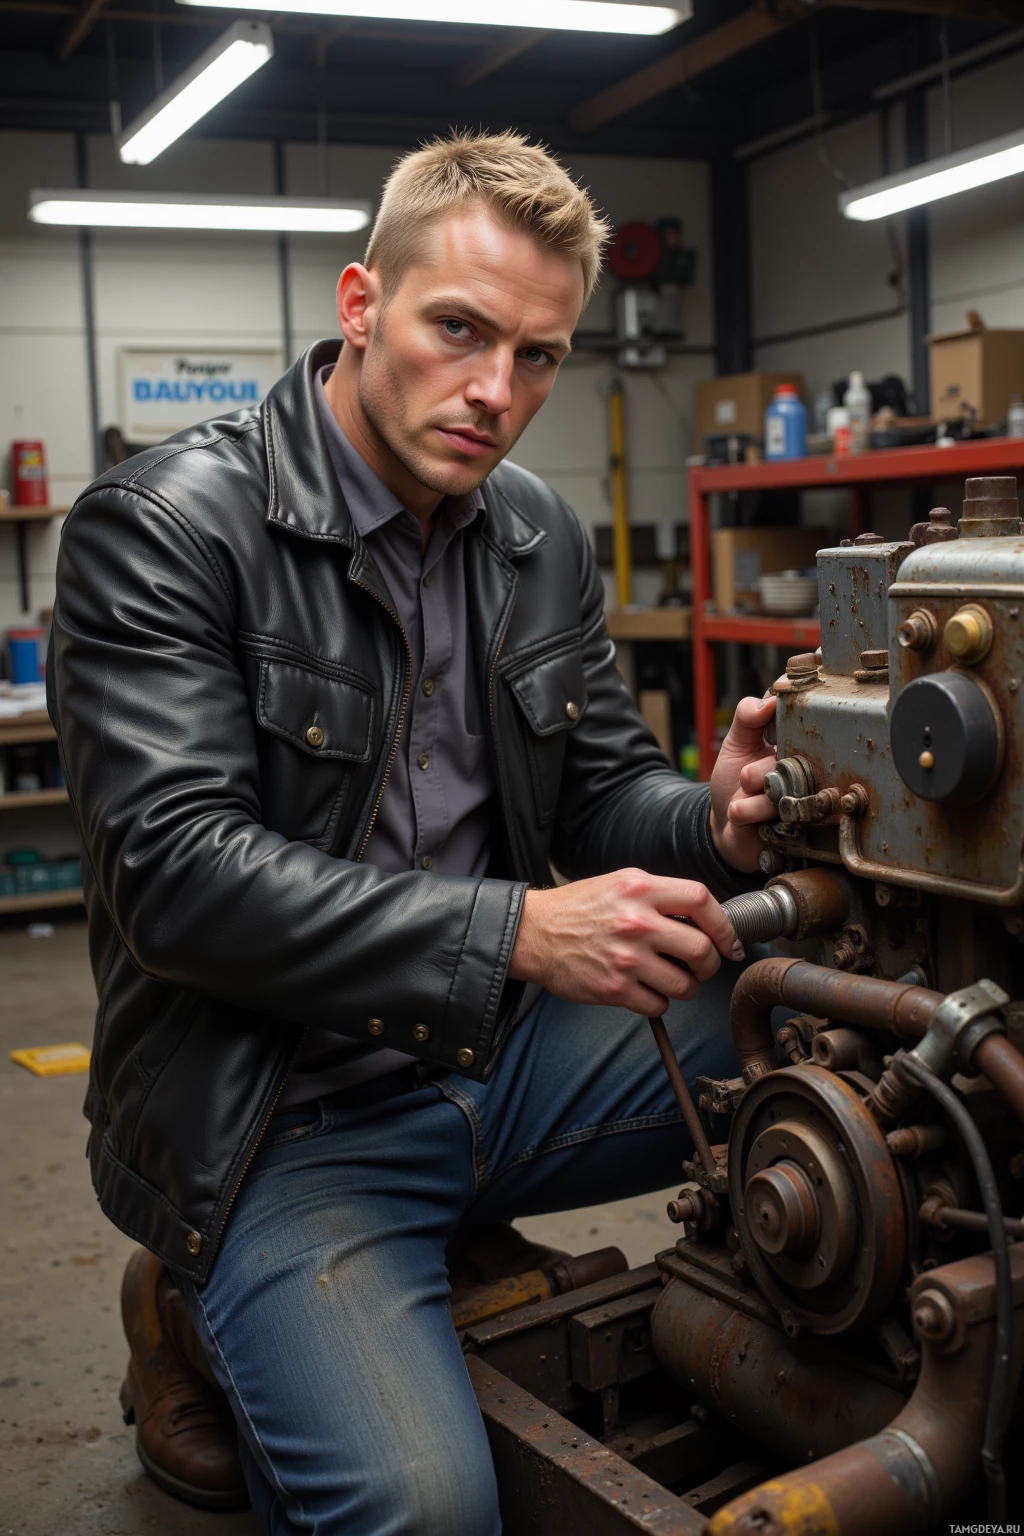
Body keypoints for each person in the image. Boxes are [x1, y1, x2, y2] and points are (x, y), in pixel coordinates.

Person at [48, 130, 777, 1535]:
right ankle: (193, 1303)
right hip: (279, 1115)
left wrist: (721, 823)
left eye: (540, 355)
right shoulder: (164, 528)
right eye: (460, 330)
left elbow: (603, 797)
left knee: (839, 1042)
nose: (497, 392)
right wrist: (517, 930)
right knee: (423, 1511)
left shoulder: (535, 534)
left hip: (495, 1064)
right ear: (361, 302)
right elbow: (176, 878)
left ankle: (437, 1236)